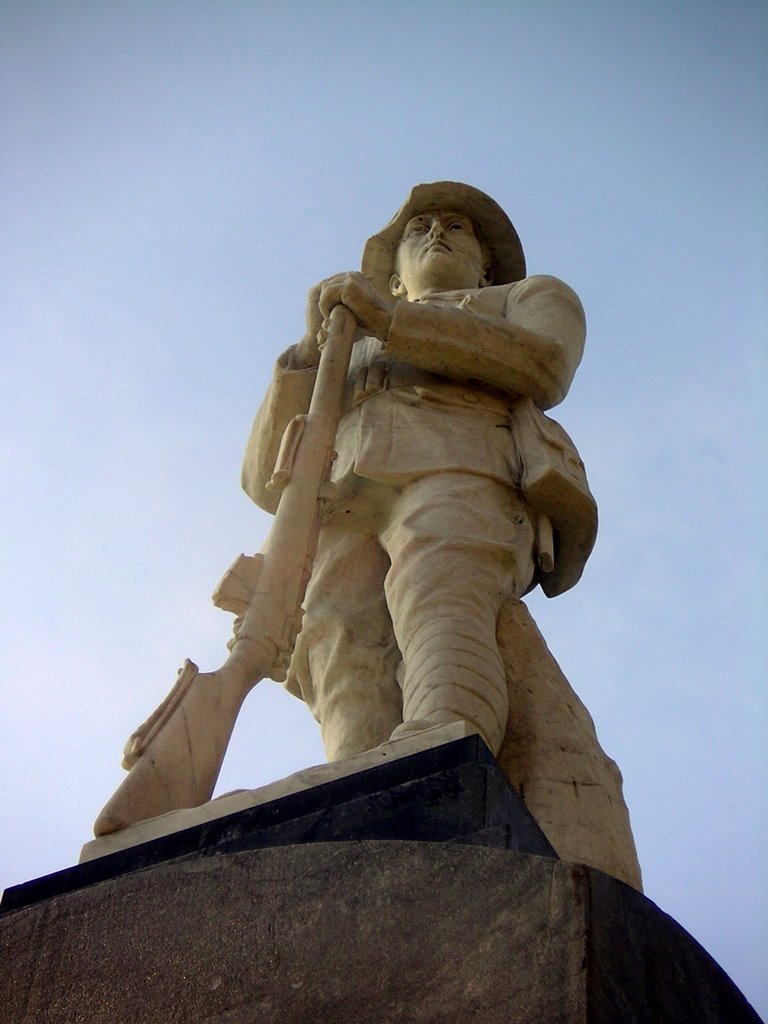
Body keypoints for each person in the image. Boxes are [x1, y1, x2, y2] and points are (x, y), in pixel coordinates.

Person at [242, 181, 596, 762]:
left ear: (486, 269)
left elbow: (546, 362)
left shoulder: (525, 297)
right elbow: (261, 481)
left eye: (457, 228)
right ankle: (356, 772)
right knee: (333, 632)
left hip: (461, 458)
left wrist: (393, 321)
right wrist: (308, 353)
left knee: (440, 591)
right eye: (419, 228)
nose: (437, 233)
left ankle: (445, 739)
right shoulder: (346, 342)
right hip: (340, 495)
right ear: (396, 273)